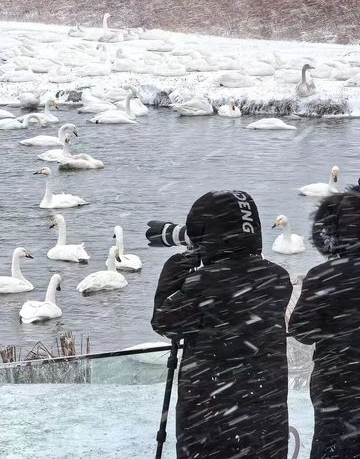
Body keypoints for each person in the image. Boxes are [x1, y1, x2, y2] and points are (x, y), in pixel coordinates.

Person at [151, 190, 292, 458]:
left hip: (209, 415)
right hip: (267, 413)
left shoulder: (204, 285)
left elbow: (164, 322)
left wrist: (172, 274)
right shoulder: (278, 278)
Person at [289, 185, 360, 458]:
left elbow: (301, 330)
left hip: (335, 379)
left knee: (330, 441)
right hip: (337, 377)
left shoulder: (322, 276)